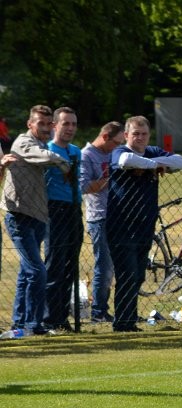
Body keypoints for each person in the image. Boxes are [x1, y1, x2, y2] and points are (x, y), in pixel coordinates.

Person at [107, 115, 182, 332]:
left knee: (139, 275)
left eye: (144, 134)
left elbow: (181, 162)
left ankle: (129, 319)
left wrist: (152, 163)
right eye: (135, 134)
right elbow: (125, 161)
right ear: (126, 135)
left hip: (145, 225)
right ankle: (123, 323)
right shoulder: (119, 151)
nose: (140, 138)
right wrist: (156, 165)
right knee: (128, 273)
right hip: (121, 225)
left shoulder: (152, 151)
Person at [0, 105, 70, 337]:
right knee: (37, 271)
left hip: (38, 216)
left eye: (49, 124)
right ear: (30, 124)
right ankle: (34, 325)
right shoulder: (23, 142)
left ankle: (19, 324)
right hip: (18, 216)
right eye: (40, 123)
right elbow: (44, 157)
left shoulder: (42, 144)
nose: (45, 128)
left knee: (26, 273)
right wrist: (63, 163)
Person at [80, 121, 125, 323]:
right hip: (100, 217)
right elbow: (83, 186)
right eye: (116, 142)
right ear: (105, 137)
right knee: (105, 267)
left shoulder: (115, 152)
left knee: (120, 267)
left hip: (120, 216)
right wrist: (112, 177)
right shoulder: (87, 155)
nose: (118, 147)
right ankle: (98, 312)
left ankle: (121, 311)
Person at [43, 107, 83, 331]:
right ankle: (49, 318)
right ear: (54, 125)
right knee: (55, 264)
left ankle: (62, 317)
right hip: (54, 209)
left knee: (70, 265)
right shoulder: (47, 150)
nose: (70, 128)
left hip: (74, 208)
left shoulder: (76, 151)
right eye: (66, 123)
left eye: (73, 124)